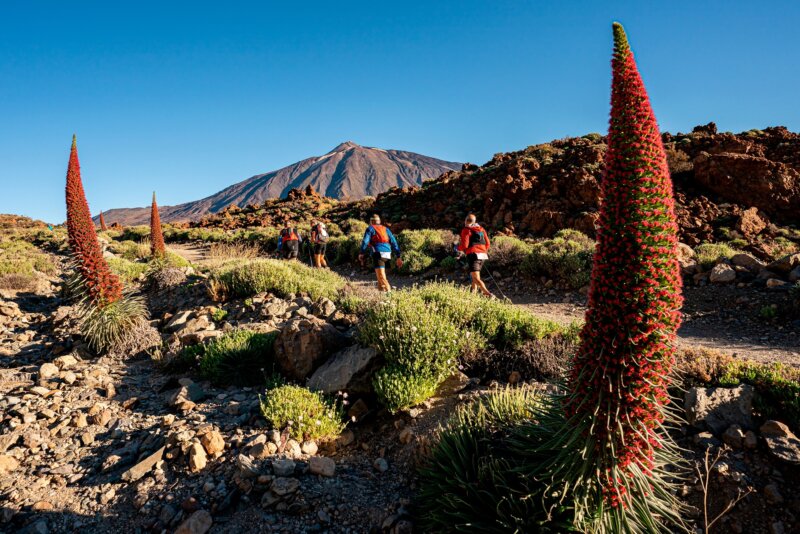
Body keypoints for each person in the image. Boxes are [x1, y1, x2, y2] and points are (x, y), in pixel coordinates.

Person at [359, 214, 402, 292]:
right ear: (379, 221)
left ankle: (389, 294)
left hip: (378, 254)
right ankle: (381, 297)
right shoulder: (386, 229)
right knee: (380, 277)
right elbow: (394, 242)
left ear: (371, 222)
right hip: (388, 254)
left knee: (381, 277)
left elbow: (365, 241)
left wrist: (361, 252)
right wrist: (398, 256)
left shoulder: (370, 228)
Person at [457, 213, 493, 297]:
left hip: (473, 255)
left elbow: (465, 245)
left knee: (476, 278)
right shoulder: (481, 229)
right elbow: (488, 243)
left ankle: (488, 293)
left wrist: (458, 248)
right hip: (483, 255)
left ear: (466, 221)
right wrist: (483, 251)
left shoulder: (466, 230)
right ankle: (473, 295)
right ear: (474, 221)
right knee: (475, 276)